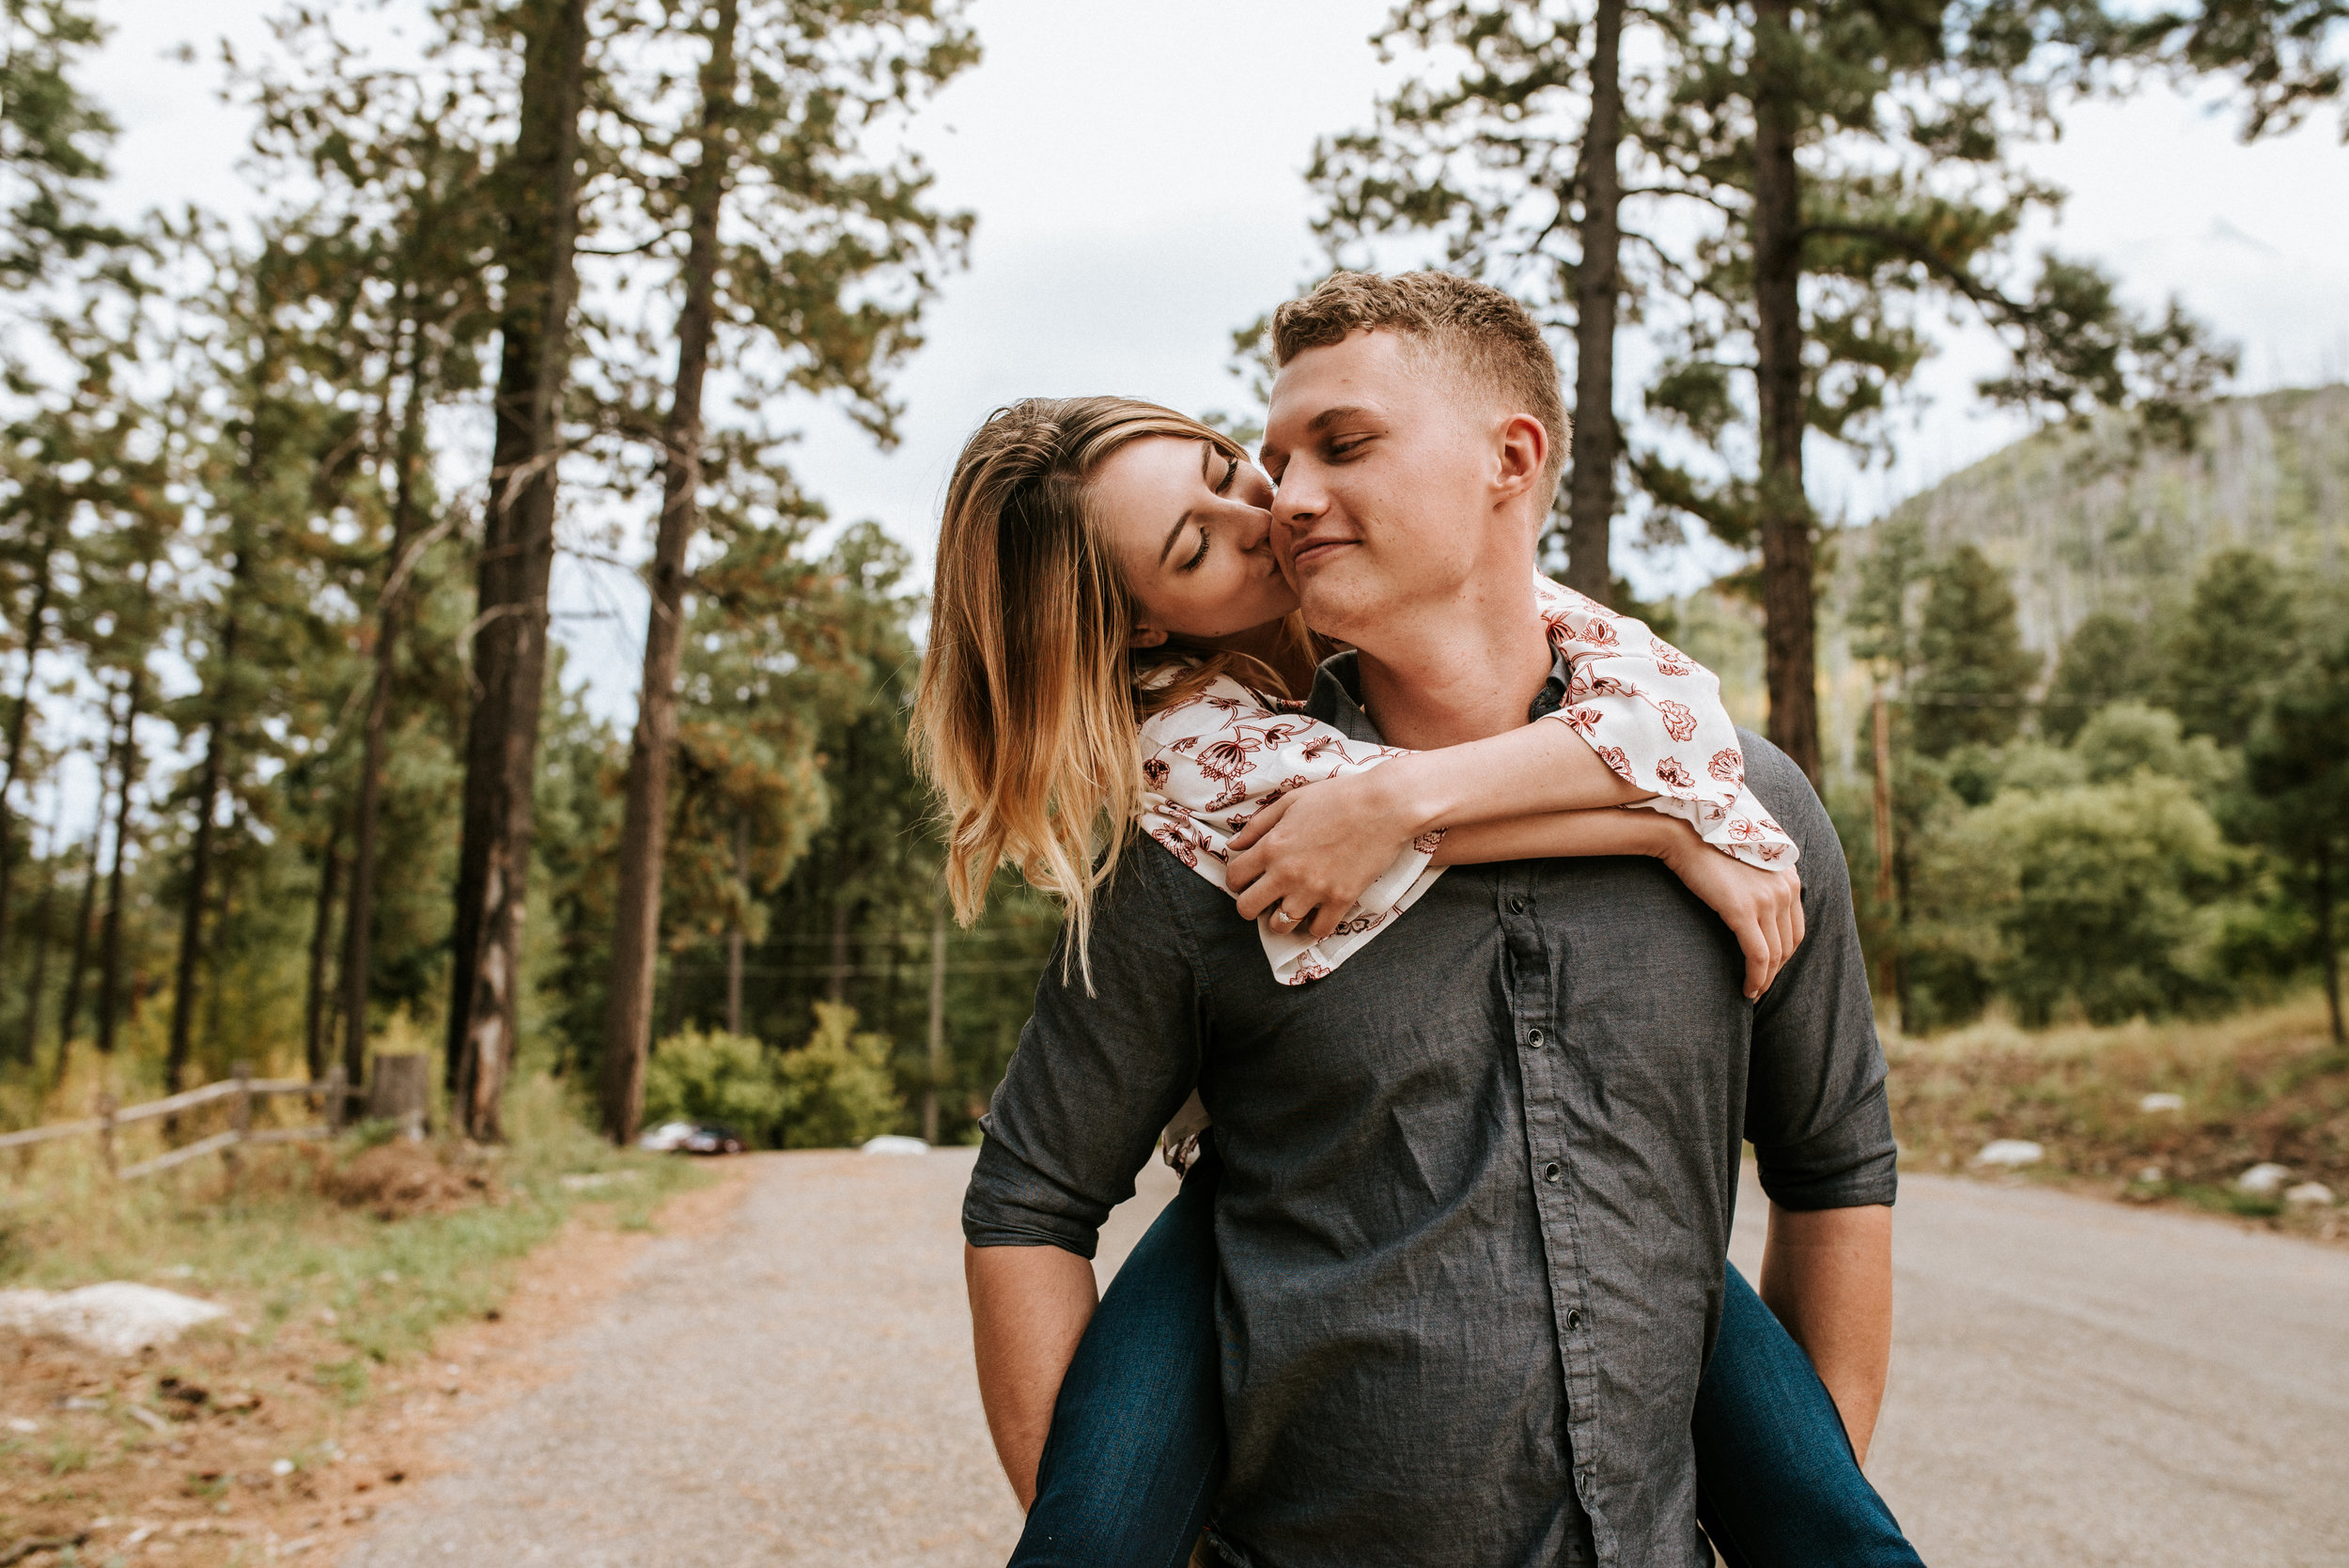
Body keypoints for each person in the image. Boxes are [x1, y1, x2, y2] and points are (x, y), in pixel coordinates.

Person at [917, 272, 1916, 1567]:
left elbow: (1834, 1166)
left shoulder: (1734, 789)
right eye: (1272, 461)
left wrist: (1787, 1493)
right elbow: (1031, 1200)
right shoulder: (1204, 825)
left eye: (1336, 447)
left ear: (1514, 459)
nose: (1276, 500)